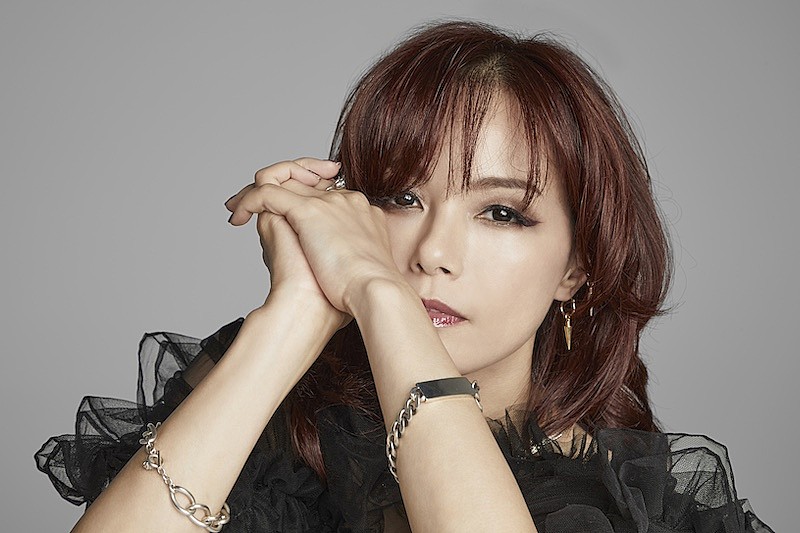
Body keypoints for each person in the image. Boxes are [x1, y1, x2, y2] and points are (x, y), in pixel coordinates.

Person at [35, 20, 773, 533]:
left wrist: (382, 293)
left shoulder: (623, 506)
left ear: (576, 267)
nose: (432, 252)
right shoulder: (271, 406)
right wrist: (294, 313)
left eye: (501, 213)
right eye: (400, 198)